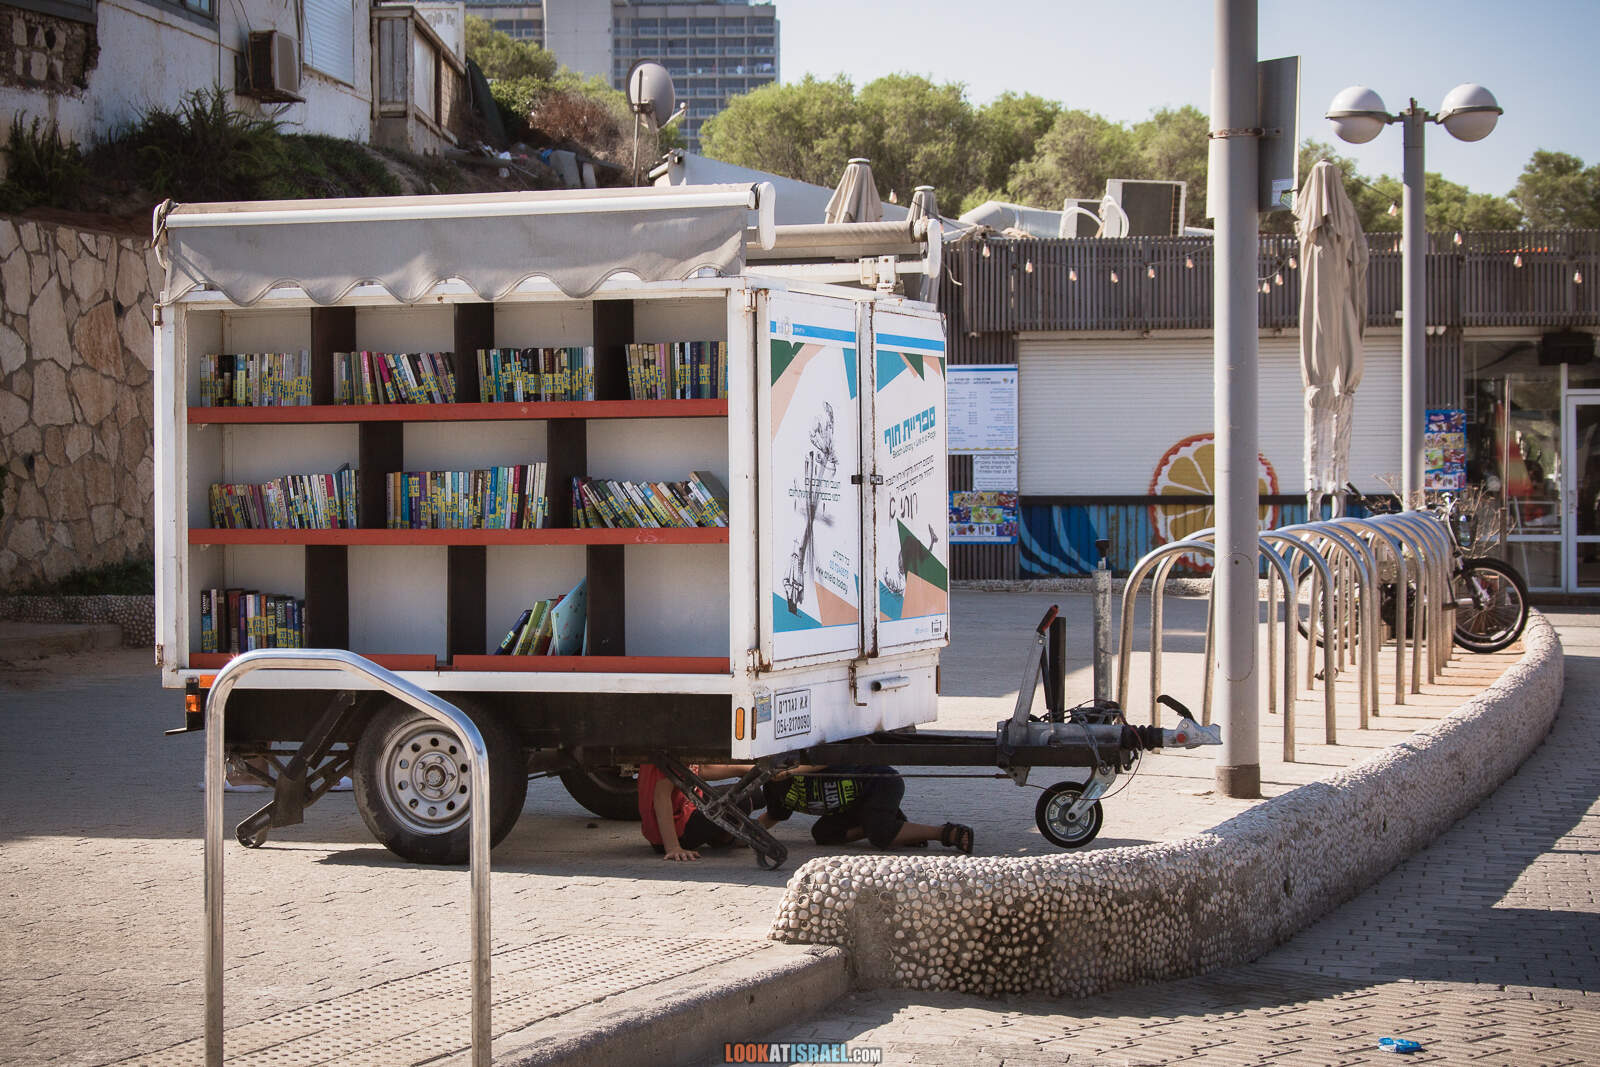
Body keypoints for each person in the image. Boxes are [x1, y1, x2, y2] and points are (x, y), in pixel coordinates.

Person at [760, 764, 973, 854]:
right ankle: (898, 828)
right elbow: (772, 817)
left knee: (880, 836)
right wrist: (739, 837)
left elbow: (819, 759)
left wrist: (789, 770)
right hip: (852, 807)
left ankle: (946, 832)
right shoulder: (773, 790)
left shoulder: (800, 765)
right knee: (822, 834)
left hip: (880, 784)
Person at [637, 762, 754, 861]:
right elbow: (661, 796)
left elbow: (701, 770)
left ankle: (723, 836)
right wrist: (673, 847)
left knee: (749, 791)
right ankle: (723, 838)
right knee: (745, 796)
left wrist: (748, 770)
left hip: (683, 814)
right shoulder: (672, 745)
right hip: (677, 832)